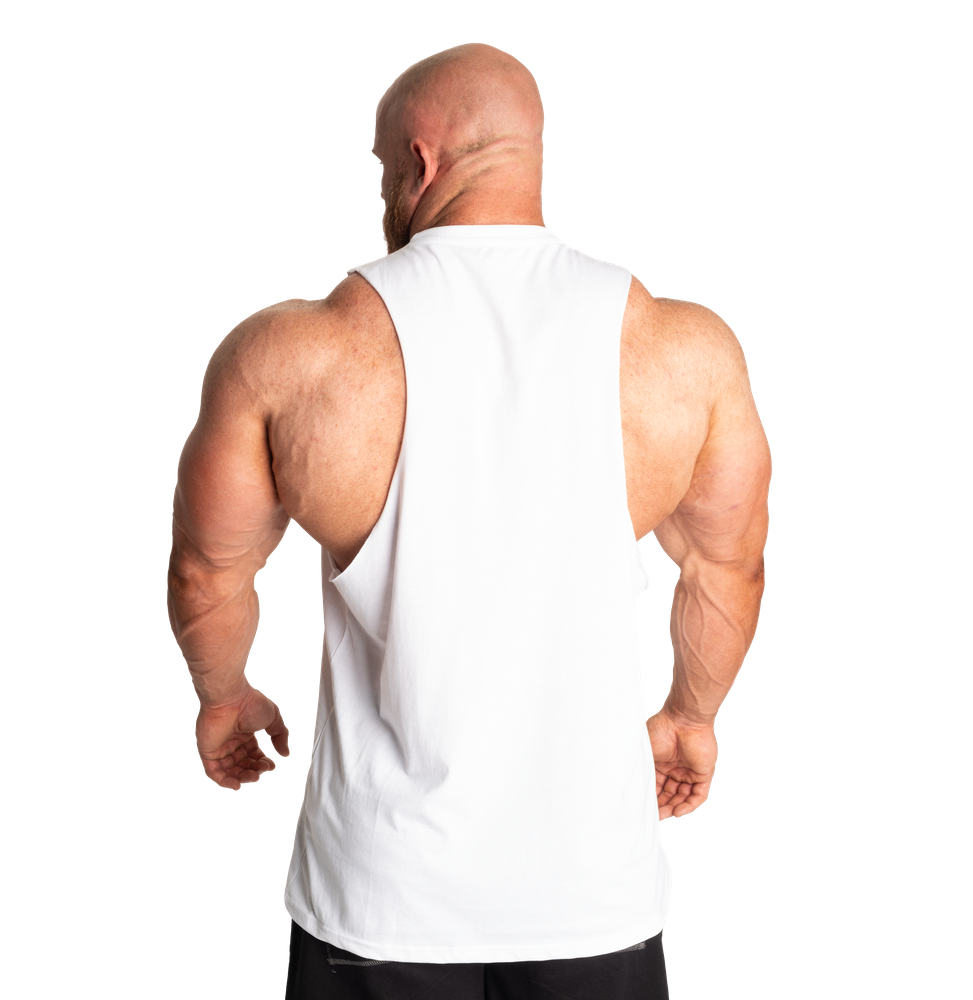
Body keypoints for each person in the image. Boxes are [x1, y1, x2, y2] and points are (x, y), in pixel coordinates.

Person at [165, 40, 772, 1000]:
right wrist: (689, 717)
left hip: (377, 902)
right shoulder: (683, 349)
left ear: (420, 159)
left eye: (379, 167)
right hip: (591, 898)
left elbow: (207, 569)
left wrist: (224, 697)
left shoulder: (290, 352)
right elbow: (728, 569)